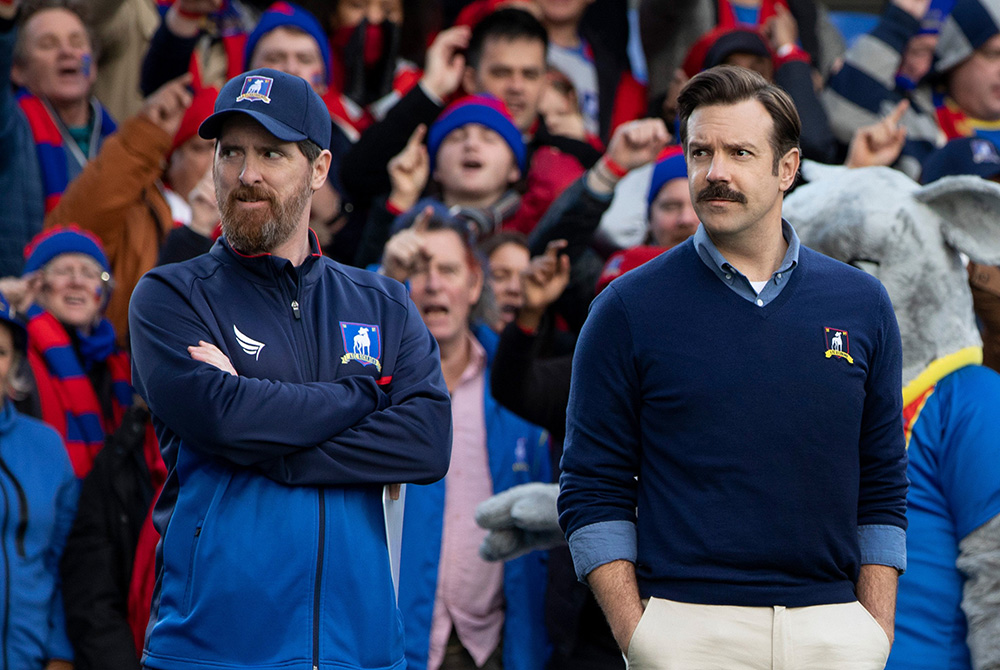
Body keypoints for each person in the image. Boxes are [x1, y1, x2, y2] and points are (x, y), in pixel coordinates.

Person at [557, 65, 909, 669]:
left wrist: (873, 629)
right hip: (683, 629)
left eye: (739, 152)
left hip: (835, 631)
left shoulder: (863, 303)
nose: (715, 172)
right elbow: (592, 486)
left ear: (788, 169)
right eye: (701, 152)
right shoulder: (626, 308)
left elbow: (882, 482)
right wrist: (639, 634)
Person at [128, 67, 452, 670]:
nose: (245, 174)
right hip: (212, 652)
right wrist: (362, 396)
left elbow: (428, 445)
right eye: (231, 153)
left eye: (272, 153)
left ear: (320, 169)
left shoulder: (383, 304)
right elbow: (224, 421)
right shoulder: (170, 296)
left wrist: (264, 434)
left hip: (361, 652)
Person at [382, 217, 551, 670]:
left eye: (450, 270)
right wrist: (384, 279)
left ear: (476, 285)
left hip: (496, 644)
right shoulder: (368, 386)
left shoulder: (518, 389)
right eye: (419, 268)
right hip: (394, 642)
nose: (434, 285)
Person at [0, 0, 115, 276]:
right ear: (17, 69)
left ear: (94, 64)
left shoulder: (118, 140)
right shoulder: (10, 129)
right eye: (48, 44)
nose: (67, 52)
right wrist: (4, 18)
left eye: (77, 42)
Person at [0, 289, 78, 670]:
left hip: (31, 658)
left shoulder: (46, 447)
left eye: (0, 352)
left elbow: (63, 561)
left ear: (14, 363)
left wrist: (61, 653)